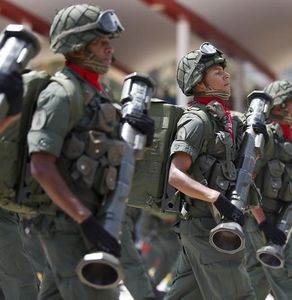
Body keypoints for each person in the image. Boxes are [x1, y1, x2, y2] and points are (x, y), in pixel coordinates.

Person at [27, 4, 154, 299]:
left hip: (93, 220)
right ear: (78, 47)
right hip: (71, 226)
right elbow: (41, 166)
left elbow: (113, 159)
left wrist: (140, 136)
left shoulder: (98, 95)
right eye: (100, 42)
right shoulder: (60, 94)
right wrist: (85, 220)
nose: (109, 50)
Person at [164, 42, 256, 299]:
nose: (226, 75)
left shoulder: (223, 119)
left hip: (208, 224)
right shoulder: (196, 121)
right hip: (206, 225)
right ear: (199, 83)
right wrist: (216, 198)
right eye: (217, 72)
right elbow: (175, 175)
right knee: (239, 294)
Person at [244, 80, 292, 299]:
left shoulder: (288, 140)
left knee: (256, 281)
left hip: (273, 219)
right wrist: (263, 223)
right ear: (279, 107)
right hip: (264, 220)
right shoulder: (268, 137)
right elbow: (247, 180)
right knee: (288, 277)